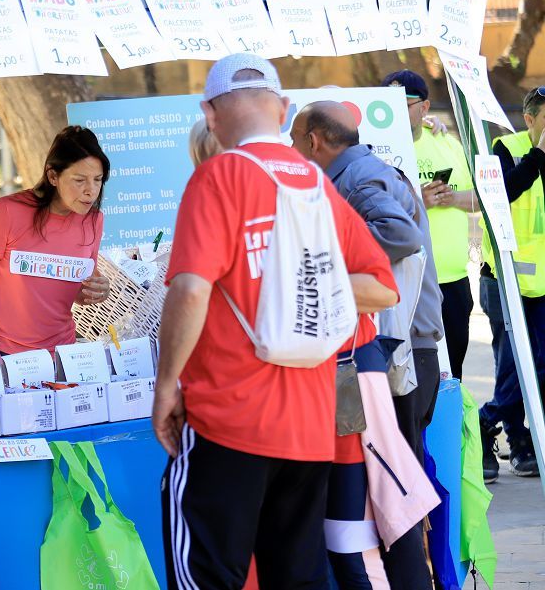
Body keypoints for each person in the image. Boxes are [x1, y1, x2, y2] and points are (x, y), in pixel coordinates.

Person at [152, 54, 398, 589]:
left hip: (229, 419)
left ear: (211, 115)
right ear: (284, 111)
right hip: (308, 428)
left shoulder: (219, 176)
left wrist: (167, 384)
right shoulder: (315, 185)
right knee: (296, 578)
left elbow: (191, 289)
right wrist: (299, 280)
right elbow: (382, 287)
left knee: (207, 574)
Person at [290, 101, 440, 590]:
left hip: (374, 355)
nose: (294, 152)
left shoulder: (355, 179)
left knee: (385, 491)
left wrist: (324, 262)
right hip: (383, 350)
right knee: (387, 489)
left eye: (295, 141)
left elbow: (402, 235)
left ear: (314, 139)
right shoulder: (360, 172)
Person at [0, 125, 112, 355]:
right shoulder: (7, 212)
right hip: (3, 355)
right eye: (80, 180)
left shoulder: (94, 221)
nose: (90, 191)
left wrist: (97, 291)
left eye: (98, 179)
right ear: (53, 175)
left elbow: (74, 290)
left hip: (62, 357)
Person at [382, 70, 478, 380]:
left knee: (454, 376)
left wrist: (450, 199)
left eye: (403, 103)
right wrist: (419, 200)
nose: (393, 110)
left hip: (453, 280)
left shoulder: (444, 142)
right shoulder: (376, 146)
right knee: (407, 377)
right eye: (387, 102)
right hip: (404, 279)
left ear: (424, 108)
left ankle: (451, 430)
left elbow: (479, 200)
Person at [479, 86, 545, 482]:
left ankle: (519, 440)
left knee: (538, 366)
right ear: (530, 119)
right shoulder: (504, 148)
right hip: (506, 279)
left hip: (542, 282)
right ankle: (490, 427)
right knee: (515, 367)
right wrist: (538, 156)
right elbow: (500, 194)